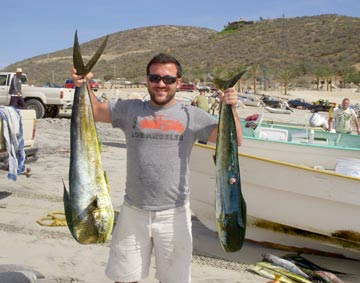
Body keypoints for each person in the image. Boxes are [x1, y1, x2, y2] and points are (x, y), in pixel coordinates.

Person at [72, 53, 242, 283]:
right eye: (155, 78)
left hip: (176, 215)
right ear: (147, 80)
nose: (161, 84)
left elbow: (235, 139)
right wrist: (84, 84)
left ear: (179, 83)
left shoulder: (191, 115)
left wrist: (230, 106)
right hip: (133, 211)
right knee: (124, 279)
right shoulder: (130, 109)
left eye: (168, 79)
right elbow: (96, 111)